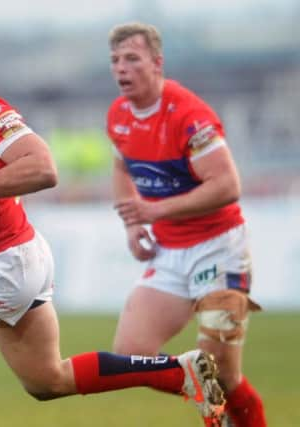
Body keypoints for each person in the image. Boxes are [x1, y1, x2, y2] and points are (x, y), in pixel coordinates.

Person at [0, 17, 225, 427]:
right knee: (48, 380)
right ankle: (179, 372)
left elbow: (44, 168)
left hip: (2, 263)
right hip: (14, 259)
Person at [105, 22, 267, 427]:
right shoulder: (119, 115)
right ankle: (214, 406)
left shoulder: (190, 117)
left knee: (224, 374)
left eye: (132, 59)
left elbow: (228, 186)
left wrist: (155, 212)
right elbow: (121, 165)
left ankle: (222, 406)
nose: (121, 69)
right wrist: (131, 223)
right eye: (115, 61)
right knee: (129, 355)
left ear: (157, 63)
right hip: (169, 253)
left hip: (219, 249)